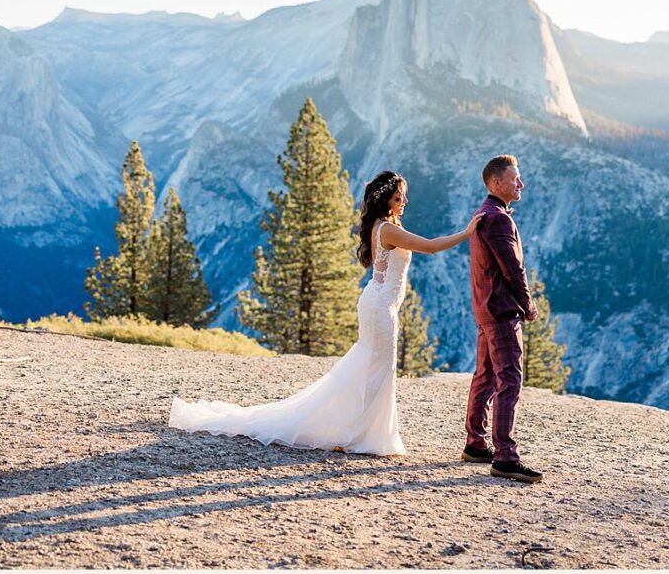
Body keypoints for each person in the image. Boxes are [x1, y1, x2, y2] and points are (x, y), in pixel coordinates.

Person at [169, 171, 480, 456]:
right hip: (380, 307)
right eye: (399, 197)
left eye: (404, 196)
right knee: (379, 370)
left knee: (369, 368)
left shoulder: (384, 225)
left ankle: (362, 432)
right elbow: (430, 246)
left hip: (377, 302)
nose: (405, 201)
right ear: (385, 200)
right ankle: (363, 436)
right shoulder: (387, 229)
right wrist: (468, 232)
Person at [463, 154, 543, 483]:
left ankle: (476, 442)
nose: (521, 184)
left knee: (484, 377)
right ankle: (505, 455)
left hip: (485, 309)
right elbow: (513, 270)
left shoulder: (485, 214)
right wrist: (527, 305)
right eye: (515, 179)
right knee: (509, 380)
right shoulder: (498, 219)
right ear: (498, 183)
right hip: (501, 310)